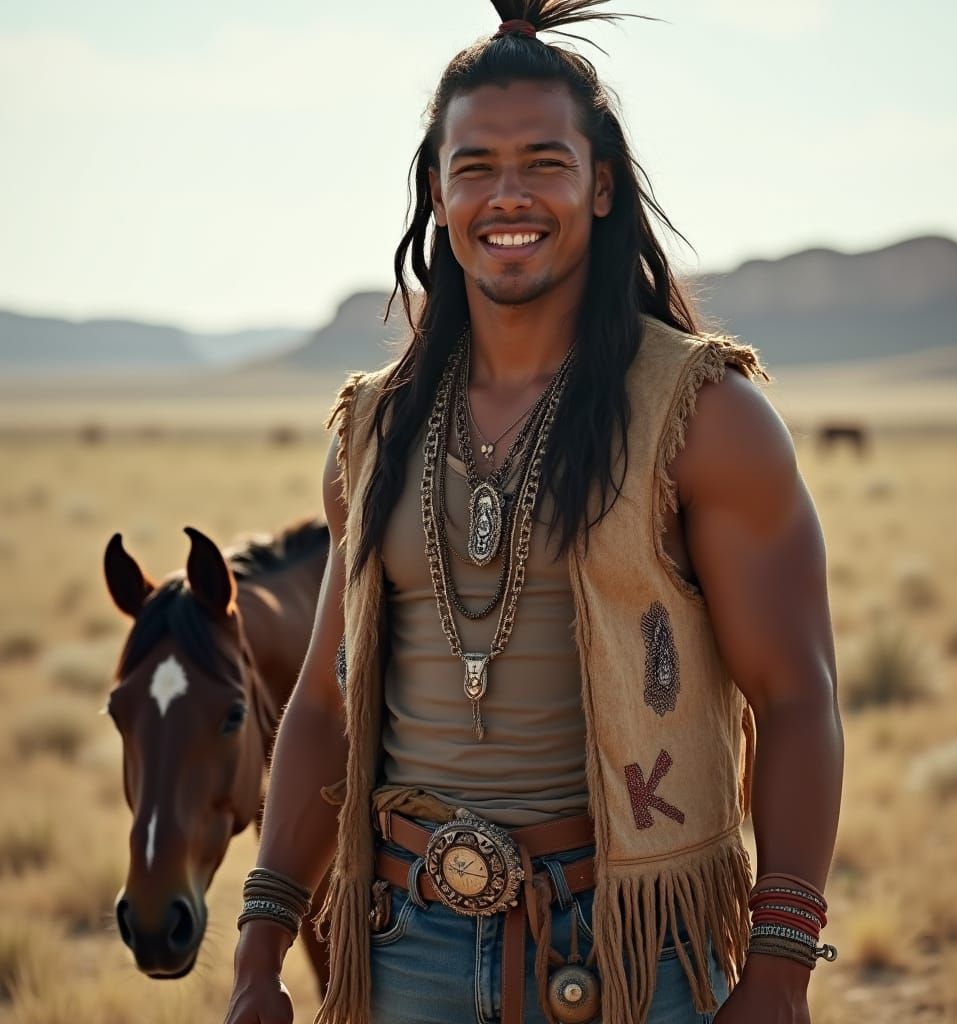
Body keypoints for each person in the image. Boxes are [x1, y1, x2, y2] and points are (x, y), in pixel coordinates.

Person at [224, 3, 844, 1023]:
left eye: (542, 162)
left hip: (632, 946)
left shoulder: (702, 415)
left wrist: (779, 966)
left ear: (599, 185)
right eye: (474, 167)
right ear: (437, 191)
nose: (506, 195)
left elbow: (797, 693)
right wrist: (262, 944)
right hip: (400, 947)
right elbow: (328, 709)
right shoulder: (372, 431)